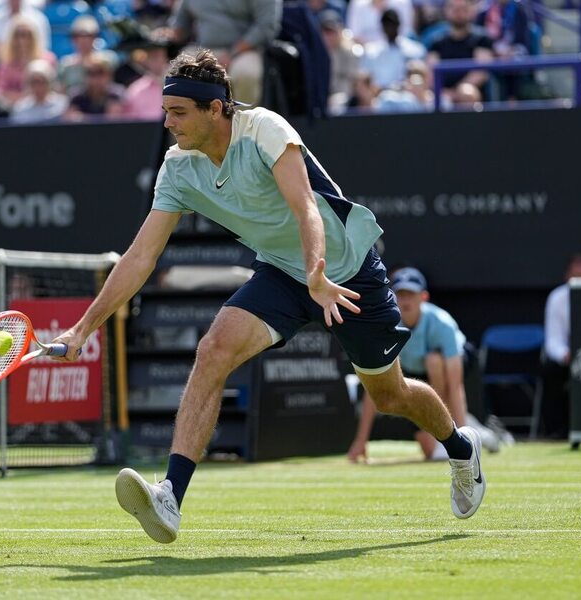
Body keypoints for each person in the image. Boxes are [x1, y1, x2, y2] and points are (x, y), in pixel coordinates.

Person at [49, 49, 487, 544]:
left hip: (346, 272)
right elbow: (140, 258)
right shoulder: (177, 168)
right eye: (166, 112)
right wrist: (83, 328)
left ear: (215, 109)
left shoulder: (266, 131)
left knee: (390, 395)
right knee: (212, 350)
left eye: (178, 113)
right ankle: (170, 495)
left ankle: (459, 445)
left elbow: (306, 210)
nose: (167, 123)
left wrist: (318, 274)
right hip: (280, 272)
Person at [346, 267, 498, 462]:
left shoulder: (441, 323)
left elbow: (456, 385)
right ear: (392, 297)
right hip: (414, 373)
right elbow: (374, 389)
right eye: (401, 294)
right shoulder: (386, 324)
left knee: (433, 361)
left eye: (412, 294)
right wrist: (361, 441)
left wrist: (463, 445)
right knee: (430, 453)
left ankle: (466, 431)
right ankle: (474, 430)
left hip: (448, 367)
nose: (406, 300)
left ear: (424, 297)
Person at [167, 0, 281, 106]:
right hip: (204, 48)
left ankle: (244, 123)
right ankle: (187, 124)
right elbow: (180, 28)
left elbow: (266, 26)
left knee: (245, 73)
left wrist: (232, 54)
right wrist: (164, 36)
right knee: (173, 74)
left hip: (246, 50)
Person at [541, 253, 581, 439]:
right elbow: (553, 341)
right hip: (569, 361)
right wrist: (566, 354)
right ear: (568, 277)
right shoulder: (557, 298)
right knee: (551, 370)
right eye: (579, 277)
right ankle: (558, 431)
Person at [427, 0, 494, 101]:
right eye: (454, 8)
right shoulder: (437, 42)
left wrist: (456, 93)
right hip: (443, 98)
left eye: (463, 9)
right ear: (446, 11)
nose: (458, 13)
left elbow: (481, 72)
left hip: (473, 101)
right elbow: (431, 73)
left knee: (466, 92)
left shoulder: (482, 39)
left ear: (472, 11)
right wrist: (444, 93)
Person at [361, 8, 425, 90]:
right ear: (382, 27)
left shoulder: (415, 50)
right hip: (378, 97)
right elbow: (367, 81)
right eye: (386, 25)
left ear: (398, 25)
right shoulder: (371, 52)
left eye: (392, 24)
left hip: (407, 96)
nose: (390, 28)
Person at [9, 58, 67, 124]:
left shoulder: (63, 104)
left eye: (43, 82)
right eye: (34, 82)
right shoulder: (20, 108)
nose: (38, 87)